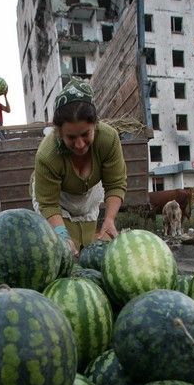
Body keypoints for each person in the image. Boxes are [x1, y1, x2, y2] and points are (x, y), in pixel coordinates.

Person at [30, 78, 127, 255]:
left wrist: (110, 219)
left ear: (95, 125)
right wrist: (61, 234)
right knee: (65, 251)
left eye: (85, 134)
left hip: (88, 195)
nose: (80, 144)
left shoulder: (108, 139)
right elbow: (49, 204)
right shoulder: (47, 155)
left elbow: (115, 183)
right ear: (59, 132)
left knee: (88, 248)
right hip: (57, 199)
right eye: (71, 138)